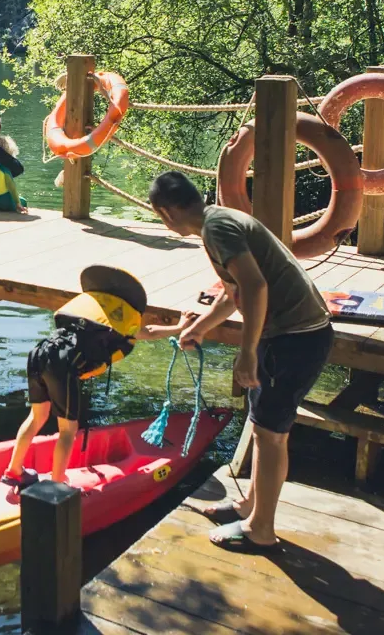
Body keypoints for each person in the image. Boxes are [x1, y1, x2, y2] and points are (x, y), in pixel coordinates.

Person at [148, 170, 334, 554]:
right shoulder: (216, 221)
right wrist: (199, 328)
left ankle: (261, 529)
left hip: (297, 337)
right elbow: (233, 293)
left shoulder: (218, 228)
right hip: (286, 335)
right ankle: (251, 506)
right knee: (265, 424)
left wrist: (247, 351)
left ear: (166, 212)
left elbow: (255, 286)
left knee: (271, 434)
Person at [2, 266, 175, 488]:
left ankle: (14, 471)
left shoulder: (88, 311)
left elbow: (146, 332)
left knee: (37, 417)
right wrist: (181, 327)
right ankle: (57, 484)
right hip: (62, 363)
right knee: (68, 430)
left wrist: (180, 326)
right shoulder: (118, 324)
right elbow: (147, 332)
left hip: (40, 351)